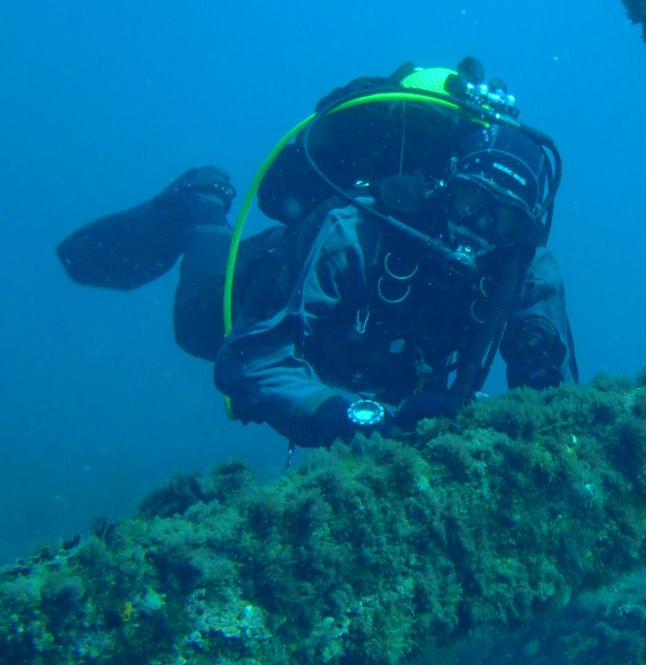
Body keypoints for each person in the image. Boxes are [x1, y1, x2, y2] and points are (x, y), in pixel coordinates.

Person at [57, 58, 578, 448]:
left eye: (503, 218)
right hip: (272, 293)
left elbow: (557, 405)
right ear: (445, 187)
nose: (478, 226)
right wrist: (350, 420)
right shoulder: (354, 229)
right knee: (196, 325)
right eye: (471, 201)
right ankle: (203, 204)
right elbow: (252, 359)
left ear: (526, 228)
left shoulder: (526, 272)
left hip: (368, 367)